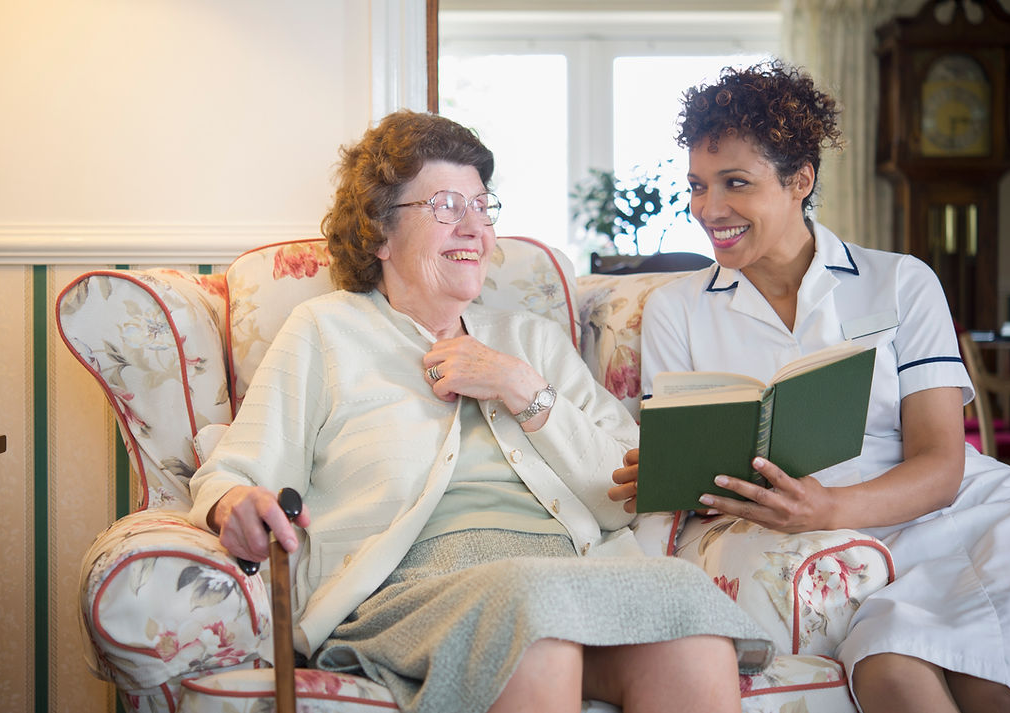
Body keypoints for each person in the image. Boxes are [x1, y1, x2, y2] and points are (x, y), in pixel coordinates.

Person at [188, 109, 771, 713]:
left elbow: (623, 491)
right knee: (534, 619)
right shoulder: (327, 330)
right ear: (380, 234)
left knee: (690, 629)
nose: (474, 229)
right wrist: (235, 506)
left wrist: (520, 386)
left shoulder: (533, 340)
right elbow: (233, 474)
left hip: (573, 575)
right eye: (446, 206)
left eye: (482, 207)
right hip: (416, 591)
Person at [609, 61, 1010, 713]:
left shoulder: (901, 281)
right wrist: (664, 471)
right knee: (893, 679)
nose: (709, 209)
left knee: (990, 684)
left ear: (800, 179)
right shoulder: (677, 309)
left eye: (735, 182)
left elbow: (942, 463)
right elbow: (689, 466)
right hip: (850, 547)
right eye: (697, 185)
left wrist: (827, 510)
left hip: (961, 514)